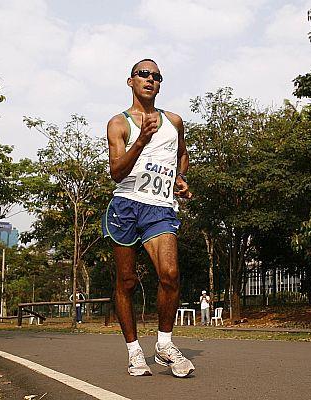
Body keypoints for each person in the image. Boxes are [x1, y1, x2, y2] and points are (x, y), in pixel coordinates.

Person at [102, 58, 194, 378]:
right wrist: (141, 139)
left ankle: (164, 345)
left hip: (160, 207)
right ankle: (134, 351)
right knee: (127, 281)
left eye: (156, 76)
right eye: (144, 74)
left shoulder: (174, 121)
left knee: (170, 274)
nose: (150, 79)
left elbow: (182, 155)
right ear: (131, 81)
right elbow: (116, 172)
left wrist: (180, 178)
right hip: (126, 206)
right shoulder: (119, 123)